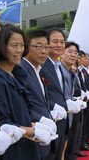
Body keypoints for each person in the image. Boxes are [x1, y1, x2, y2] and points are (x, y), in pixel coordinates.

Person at [0, 24, 53, 159]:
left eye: (22, 45)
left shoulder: (16, 75)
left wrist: (37, 125)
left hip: (26, 146)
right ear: (1, 46)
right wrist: (34, 130)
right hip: (12, 151)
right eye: (14, 45)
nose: (19, 50)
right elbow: (4, 124)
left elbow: (20, 116)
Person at [19, 29, 57, 159]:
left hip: (43, 137)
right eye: (39, 46)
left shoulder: (37, 70)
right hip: (31, 137)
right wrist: (40, 119)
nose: (44, 51)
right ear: (26, 47)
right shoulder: (21, 70)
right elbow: (21, 105)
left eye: (46, 47)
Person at [40, 28, 69, 160]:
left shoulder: (58, 65)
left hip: (62, 121)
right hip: (49, 121)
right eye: (55, 41)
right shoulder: (42, 65)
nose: (59, 45)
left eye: (62, 42)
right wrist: (52, 106)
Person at [60, 42, 86, 160]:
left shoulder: (71, 73)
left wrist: (75, 100)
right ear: (62, 53)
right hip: (59, 116)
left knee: (64, 145)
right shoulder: (59, 70)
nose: (73, 55)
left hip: (68, 116)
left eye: (75, 53)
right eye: (70, 51)